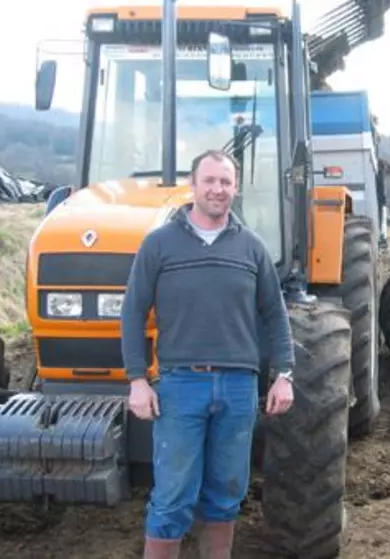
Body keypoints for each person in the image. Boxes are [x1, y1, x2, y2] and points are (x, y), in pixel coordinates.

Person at [120, 148, 296, 558]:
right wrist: (137, 380)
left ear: (235, 188)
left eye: (226, 182)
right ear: (193, 185)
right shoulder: (159, 245)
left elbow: (275, 313)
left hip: (238, 388)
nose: (218, 189)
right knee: (173, 496)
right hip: (181, 385)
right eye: (210, 181)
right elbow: (132, 313)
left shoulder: (252, 248)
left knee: (226, 493)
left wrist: (284, 373)